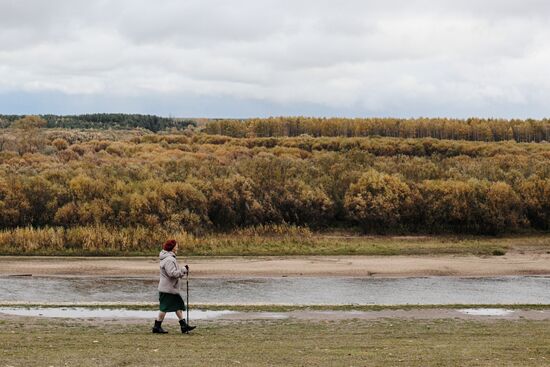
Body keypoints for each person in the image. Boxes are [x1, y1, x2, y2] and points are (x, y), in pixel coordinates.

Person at [152, 239, 196, 334]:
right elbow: (172, 274)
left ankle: (183, 325)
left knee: (177, 306)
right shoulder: (169, 259)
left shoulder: (169, 258)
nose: (177, 247)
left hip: (170, 288)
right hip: (168, 289)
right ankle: (157, 327)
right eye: (176, 246)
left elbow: (174, 273)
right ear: (172, 247)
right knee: (164, 308)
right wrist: (183, 270)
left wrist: (182, 271)